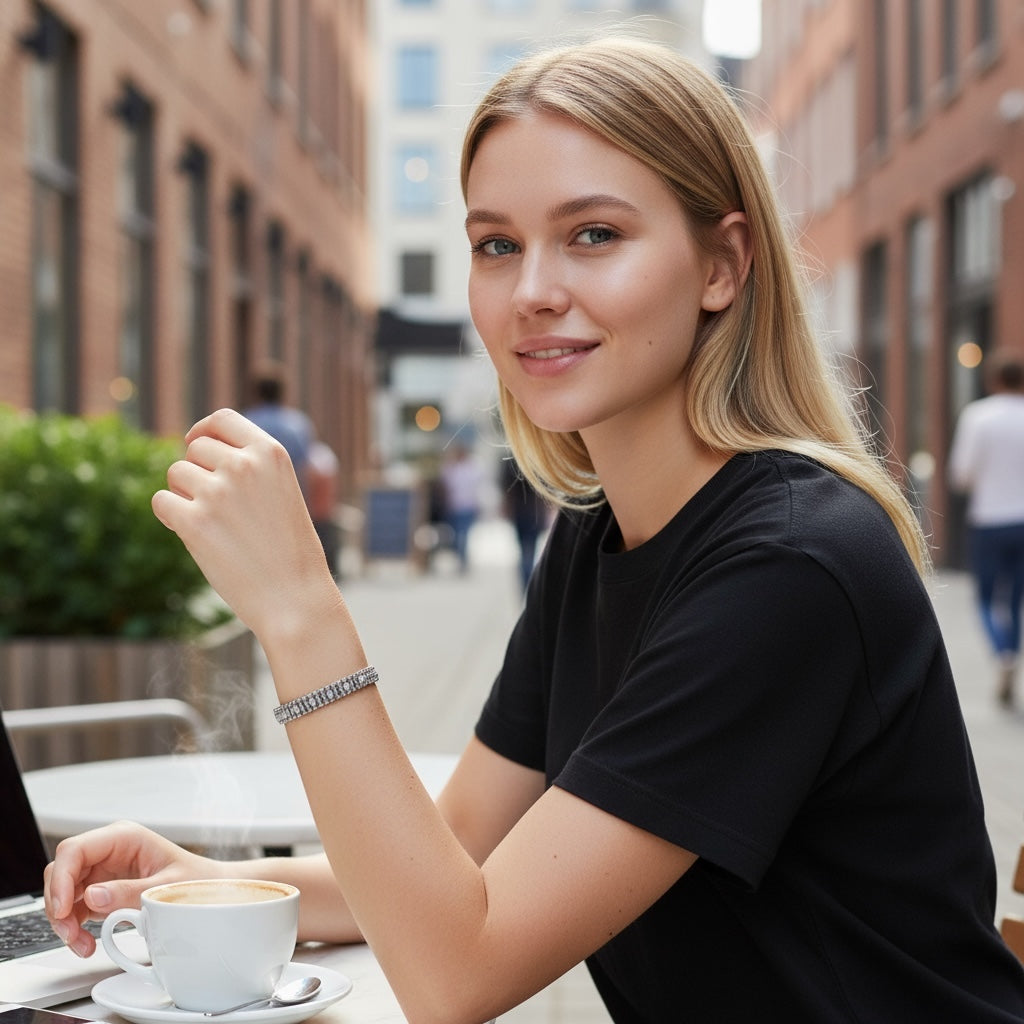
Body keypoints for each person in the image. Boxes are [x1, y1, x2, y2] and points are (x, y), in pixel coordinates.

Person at [44, 37, 1024, 1024]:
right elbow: (465, 848)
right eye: (495, 244)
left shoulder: (786, 566)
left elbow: (455, 971)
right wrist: (215, 889)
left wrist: (301, 615)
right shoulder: (597, 537)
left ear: (722, 264)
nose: (531, 292)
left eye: (593, 234)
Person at [949, 348, 1024, 707]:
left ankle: (1002, 654)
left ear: (993, 380)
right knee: (1016, 599)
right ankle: (1012, 649)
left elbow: (961, 474)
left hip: (989, 520)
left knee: (985, 597)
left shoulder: (978, 417)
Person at [243, 363, 315, 497]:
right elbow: (306, 464)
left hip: (255, 497)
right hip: (290, 497)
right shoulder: (298, 424)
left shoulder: (245, 423)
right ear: (282, 392)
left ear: (256, 393)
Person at [500, 455, 549, 594]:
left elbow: (505, 487)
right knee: (529, 551)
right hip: (532, 513)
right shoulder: (537, 460)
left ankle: (527, 583)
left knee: (524, 551)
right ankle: (529, 583)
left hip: (522, 513)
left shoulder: (512, 461)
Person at [439, 442, 485, 572]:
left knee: (463, 534)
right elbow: (445, 486)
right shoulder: (451, 468)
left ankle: (462, 560)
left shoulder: (472, 467)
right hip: (454, 507)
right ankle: (460, 558)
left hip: (468, 506)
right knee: (456, 535)